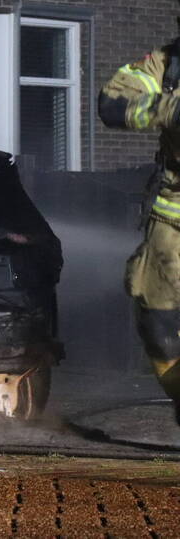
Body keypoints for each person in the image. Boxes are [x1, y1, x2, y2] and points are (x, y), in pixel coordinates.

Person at [99, 42, 180, 424]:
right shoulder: (167, 64)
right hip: (171, 221)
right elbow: (112, 104)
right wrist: (166, 109)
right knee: (158, 326)